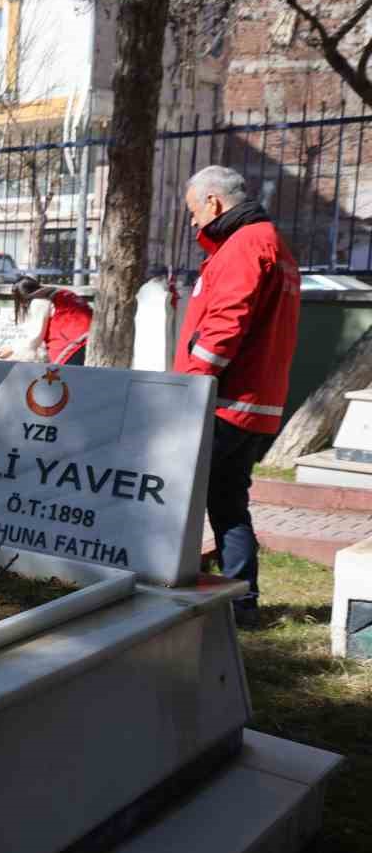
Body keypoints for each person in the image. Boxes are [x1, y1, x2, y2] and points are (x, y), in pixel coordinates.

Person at [174, 165, 301, 614]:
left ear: (213, 202)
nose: (193, 223)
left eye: (193, 212)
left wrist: (190, 388)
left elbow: (226, 323)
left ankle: (172, 591)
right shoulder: (276, 246)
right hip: (255, 406)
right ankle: (242, 603)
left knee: (176, 495)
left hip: (222, 403)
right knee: (228, 503)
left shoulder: (244, 245)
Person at [0, 276, 93, 365]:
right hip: (92, 336)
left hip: (73, 344)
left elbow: (35, 337)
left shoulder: (39, 301)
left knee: (65, 381)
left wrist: (12, 349)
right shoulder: (61, 293)